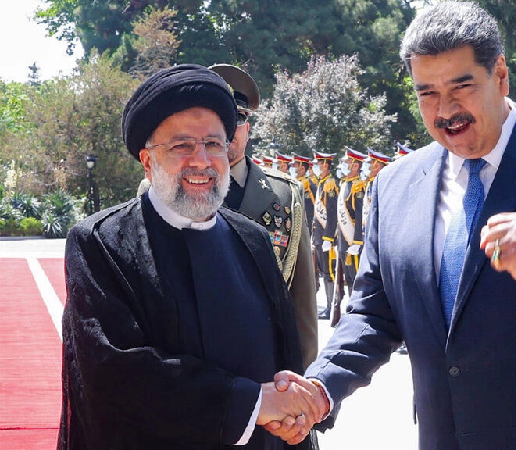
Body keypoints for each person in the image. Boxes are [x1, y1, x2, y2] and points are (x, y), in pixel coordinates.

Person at [269, 3, 516, 449]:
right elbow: (374, 314)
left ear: (500, 75)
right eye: (427, 94)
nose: (446, 110)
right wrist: (322, 388)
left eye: (461, 86)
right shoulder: (394, 187)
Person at [58, 64, 325, 450]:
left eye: (214, 144)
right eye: (182, 145)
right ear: (147, 160)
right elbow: (114, 374)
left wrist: (295, 412)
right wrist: (252, 404)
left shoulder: (251, 239)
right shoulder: (101, 244)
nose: (201, 160)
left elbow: (286, 352)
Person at [209, 64, 318, 369]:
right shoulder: (165, 189)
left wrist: (306, 383)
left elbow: (302, 302)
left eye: (238, 119)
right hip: (194, 370)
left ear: (249, 127)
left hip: (266, 367)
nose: (228, 130)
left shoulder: (284, 195)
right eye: (219, 119)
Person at [335, 147, 367, 290]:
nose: (343, 165)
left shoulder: (357, 186)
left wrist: (358, 241)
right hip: (343, 238)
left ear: (355, 165)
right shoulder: (344, 184)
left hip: (353, 238)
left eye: (346, 162)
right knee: (347, 278)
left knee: (356, 278)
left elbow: (360, 215)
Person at [312, 151, 338, 319]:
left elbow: (332, 212)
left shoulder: (330, 184)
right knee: (323, 272)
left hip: (326, 238)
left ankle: (332, 308)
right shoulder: (322, 183)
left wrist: (329, 237)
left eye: (319, 163)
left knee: (329, 273)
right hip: (318, 236)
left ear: (326, 165)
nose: (317, 166)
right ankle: (328, 307)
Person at [292, 153, 317, 236]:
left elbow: (316, 202)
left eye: (296, 166)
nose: (294, 168)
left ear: (302, 168)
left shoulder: (308, 183)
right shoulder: (294, 181)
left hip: (306, 220)